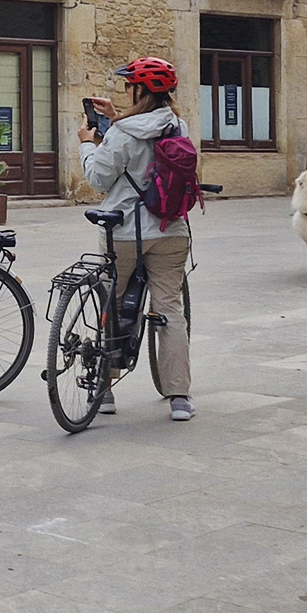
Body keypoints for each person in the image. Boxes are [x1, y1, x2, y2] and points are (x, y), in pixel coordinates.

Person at [79, 57, 197, 422]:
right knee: (170, 309)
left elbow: (98, 178)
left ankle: (106, 389)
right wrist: (117, 119)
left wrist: (87, 143)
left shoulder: (122, 131)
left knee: (110, 303)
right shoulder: (179, 126)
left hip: (124, 231)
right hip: (170, 229)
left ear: (139, 90)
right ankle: (179, 397)